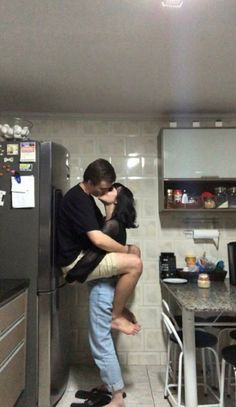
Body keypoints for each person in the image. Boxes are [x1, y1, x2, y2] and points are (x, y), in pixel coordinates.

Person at [57, 158, 142, 336]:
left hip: (82, 256)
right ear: (89, 182)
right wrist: (125, 250)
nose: (105, 191)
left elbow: (102, 227)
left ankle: (118, 307)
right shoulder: (78, 199)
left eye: (109, 188)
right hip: (74, 263)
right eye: (103, 188)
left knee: (135, 252)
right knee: (135, 263)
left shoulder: (86, 199)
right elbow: (99, 239)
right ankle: (116, 316)